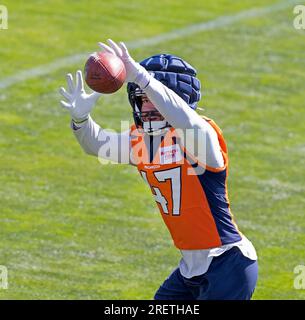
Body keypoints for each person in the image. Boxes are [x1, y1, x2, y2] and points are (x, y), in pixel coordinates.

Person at [59, 39, 258, 300]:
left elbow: (186, 120)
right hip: (190, 269)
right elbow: (95, 146)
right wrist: (81, 120)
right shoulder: (144, 143)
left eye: (153, 99)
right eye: (141, 100)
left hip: (228, 264)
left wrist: (142, 78)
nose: (147, 107)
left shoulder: (201, 138)